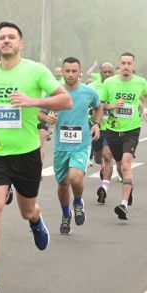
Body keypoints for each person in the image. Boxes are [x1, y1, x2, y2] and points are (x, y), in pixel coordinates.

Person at [0, 22, 72, 293]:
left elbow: (65, 101)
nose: (6, 41)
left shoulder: (36, 71)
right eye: (2, 37)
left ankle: (36, 220)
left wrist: (32, 102)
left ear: (21, 43)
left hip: (27, 154)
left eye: (11, 37)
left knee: (26, 209)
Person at [46, 57, 101, 235]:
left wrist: (96, 124)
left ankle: (77, 202)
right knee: (62, 184)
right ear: (62, 72)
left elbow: (98, 107)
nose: (70, 74)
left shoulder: (89, 92)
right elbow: (41, 113)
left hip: (81, 144)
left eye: (74, 71)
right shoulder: (54, 93)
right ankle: (65, 214)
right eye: (67, 71)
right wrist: (47, 118)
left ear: (80, 72)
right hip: (61, 146)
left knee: (75, 178)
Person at [100, 52, 147, 221]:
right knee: (121, 166)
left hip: (132, 130)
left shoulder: (140, 82)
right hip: (113, 130)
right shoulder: (109, 83)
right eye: (123, 63)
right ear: (119, 65)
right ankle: (129, 189)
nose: (126, 66)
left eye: (129, 63)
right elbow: (101, 106)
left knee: (127, 164)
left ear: (134, 65)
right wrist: (112, 105)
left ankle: (123, 204)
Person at [89, 62, 115, 204]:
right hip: (96, 128)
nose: (106, 74)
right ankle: (102, 168)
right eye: (104, 72)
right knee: (99, 158)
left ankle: (104, 188)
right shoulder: (92, 87)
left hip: (111, 128)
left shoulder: (117, 86)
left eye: (109, 72)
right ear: (99, 72)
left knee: (107, 156)